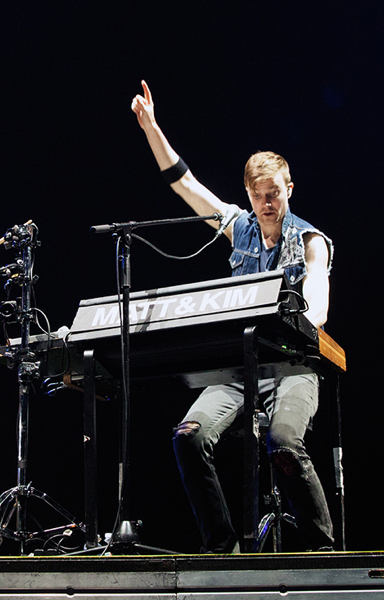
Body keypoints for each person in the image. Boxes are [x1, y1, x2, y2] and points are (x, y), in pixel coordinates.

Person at [131, 80, 335, 553]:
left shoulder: (309, 241)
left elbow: (319, 307)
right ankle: (222, 548)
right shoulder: (238, 227)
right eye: (260, 194)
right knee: (187, 437)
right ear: (248, 194)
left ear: (289, 190)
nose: (268, 202)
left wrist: (306, 314)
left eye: (276, 193)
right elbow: (184, 184)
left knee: (283, 442)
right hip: (239, 371)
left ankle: (323, 548)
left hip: (292, 368)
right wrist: (151, 128)